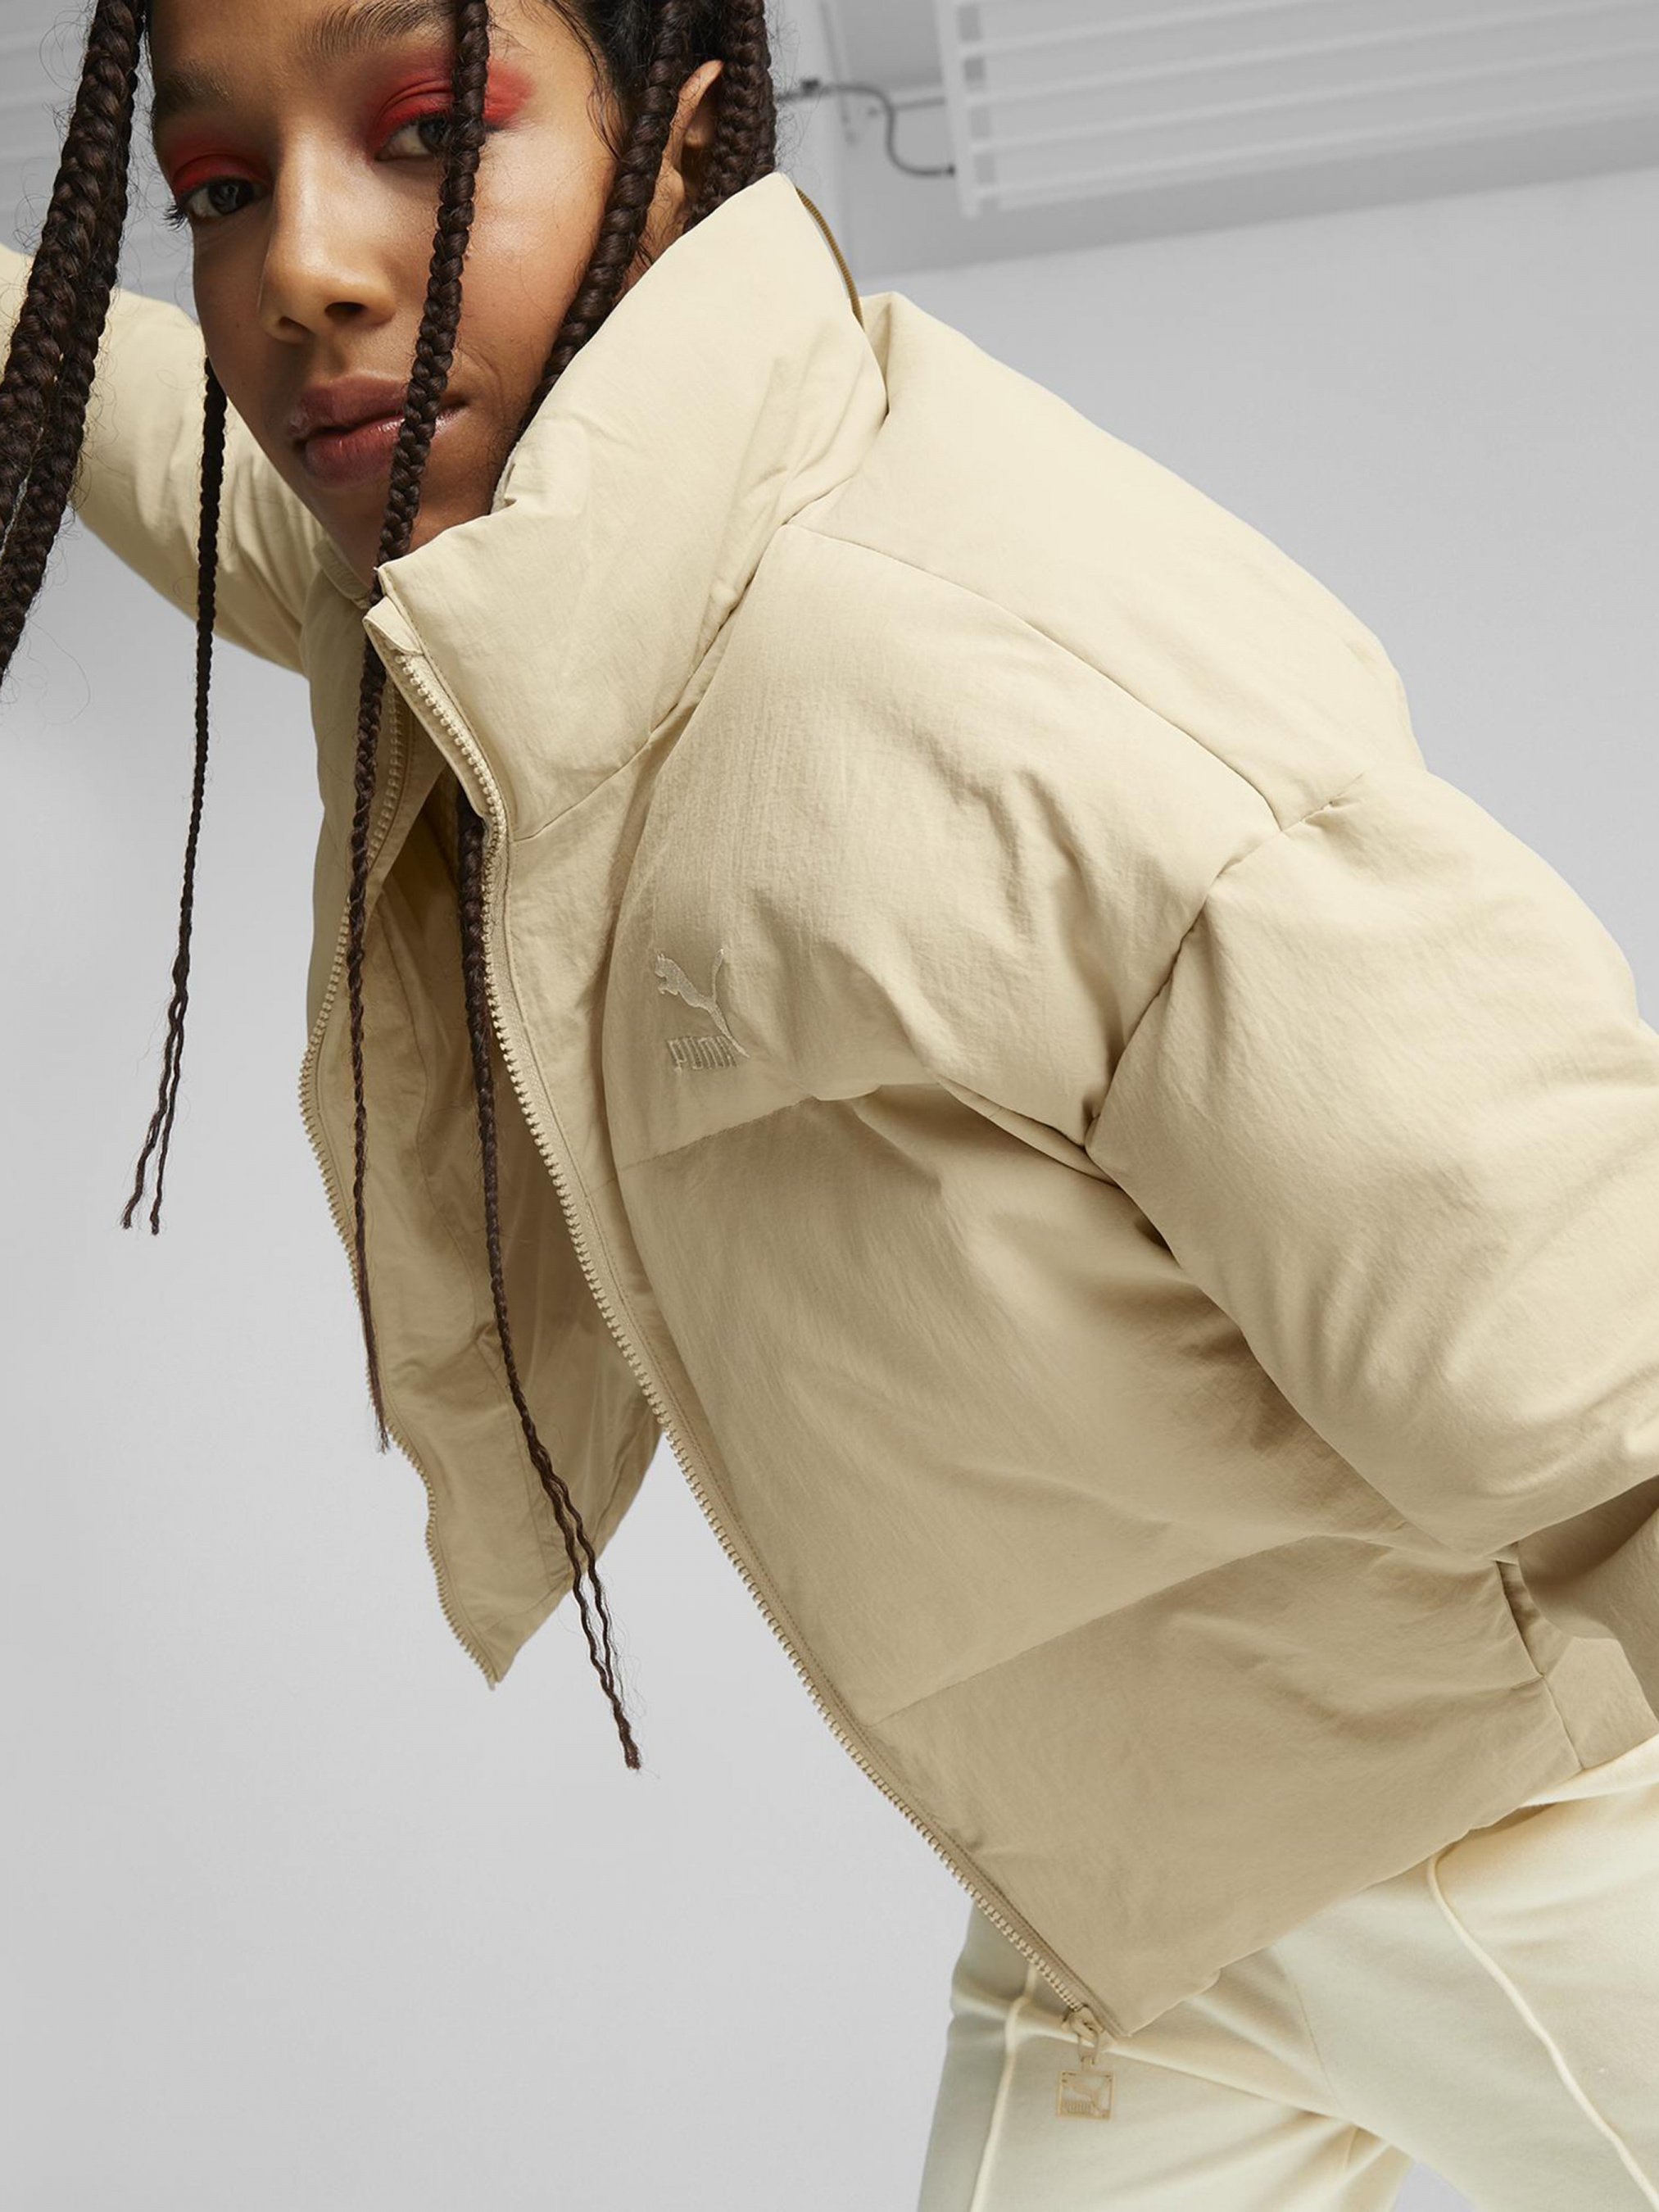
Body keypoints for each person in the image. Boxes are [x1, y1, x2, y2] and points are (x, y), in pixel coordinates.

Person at [2, 3, 1657, 2203]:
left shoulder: (973, 674)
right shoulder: (506, 593)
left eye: (427, 130)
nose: (296, 265)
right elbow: (175, 457)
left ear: (680, 148)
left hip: (1507, 1832)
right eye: (218, 188)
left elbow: (1593, 1321)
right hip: (1111, 1896)